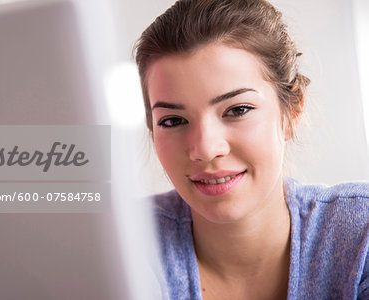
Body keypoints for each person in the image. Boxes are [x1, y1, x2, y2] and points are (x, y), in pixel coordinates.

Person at [133, 0, 369, 299]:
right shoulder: (124, 243)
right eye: (174, 120)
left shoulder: (360, 237)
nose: (205, 149)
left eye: (237, 109)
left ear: (293, 111)